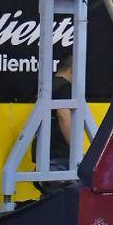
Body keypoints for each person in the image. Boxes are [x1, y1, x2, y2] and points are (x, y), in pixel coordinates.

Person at [35, 50, 78, 195]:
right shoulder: (65, 87)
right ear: (73, 70)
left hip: (45, 154)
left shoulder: (46, 88)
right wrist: (76, 149)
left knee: (50, 199)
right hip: (60, 156)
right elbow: (63, 116)